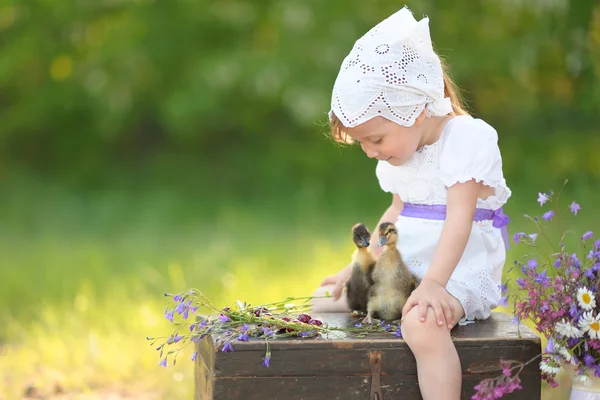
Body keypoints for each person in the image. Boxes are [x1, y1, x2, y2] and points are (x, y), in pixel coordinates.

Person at [311, 7, 511, 400]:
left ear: (415, 110)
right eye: (363, 143)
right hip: (405, 269)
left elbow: (460, 220)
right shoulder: (402, 155)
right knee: (325, 299)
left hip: (453, 273)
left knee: (421, 323)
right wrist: (358, 267)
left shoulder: (466, 140)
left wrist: (434, 284)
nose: (370, 152)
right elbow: (394, 217)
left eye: (376, 139)